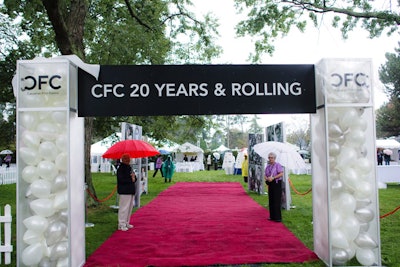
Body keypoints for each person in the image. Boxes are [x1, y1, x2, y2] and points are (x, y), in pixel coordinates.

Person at [117, 154, 137, 231]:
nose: (128, 160)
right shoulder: (121, 169)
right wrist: (131, 179)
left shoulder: (129, 168)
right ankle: (121, 224)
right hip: (124, 191)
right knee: (124, 208)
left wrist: (134, 177)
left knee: (129, 207)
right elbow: (121, 180)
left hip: (130, 190)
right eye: (127, 159)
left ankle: (126, 222)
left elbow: (134, 179)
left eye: (128, 159)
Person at [264, 152, 284, 222]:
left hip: (276, 183)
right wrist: (267, 178)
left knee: (276, 200)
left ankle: (278, 217)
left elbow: (281, 173)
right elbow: (265, 174)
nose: (270, 159)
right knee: (271, 200)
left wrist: (274, 177)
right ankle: (272, 216)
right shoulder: (268, 166)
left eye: (271, 158)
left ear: (274, 158)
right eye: (269, 157)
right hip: (270, 183)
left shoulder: (277, 165)